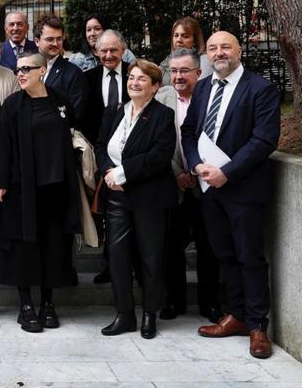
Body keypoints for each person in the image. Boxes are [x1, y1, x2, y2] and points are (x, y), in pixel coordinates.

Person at [181, 31, 281, 359]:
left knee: (249, 257)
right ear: (206, 55)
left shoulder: (261, 89)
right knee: (224, 255)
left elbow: (263, 140)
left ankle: (257, 326)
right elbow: (190, 131)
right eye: (212, 48)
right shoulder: (204, 87)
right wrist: (196, 165)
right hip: (210, 189)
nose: (219, 52)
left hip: (244, 189)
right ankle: (236, 316)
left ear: (239, 50)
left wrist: (228, 172)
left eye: (225, 46)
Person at [0, 53, 80, 333]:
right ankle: (26, 304)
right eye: (18, 69)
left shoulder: (59, 100)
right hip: (21, 190)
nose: (21, 73)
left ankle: (48, 303)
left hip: (55, 189)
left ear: (42, 70)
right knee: (23, 247)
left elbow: (71, 134)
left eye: (27, 69)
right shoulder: (12, 105)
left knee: (53, 245)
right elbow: (1, 145)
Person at [96, 59, 177, 339]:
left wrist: (123, 173)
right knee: (118, 257)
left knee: (151, 258)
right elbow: (99, 144)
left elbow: (159, 156)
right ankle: (124, 314)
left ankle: (149, 315)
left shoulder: (163, 116)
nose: (134, 82)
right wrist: (108, 170)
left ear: (155, 86)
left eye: (142, 79)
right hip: (117, 198)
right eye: (131, 77)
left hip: (150, 198)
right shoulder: (117, 110)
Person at [154, 48, 222, 323]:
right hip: (172, 184)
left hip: (207, 183)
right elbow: (155, 142)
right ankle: (174, 301)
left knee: (209, 246)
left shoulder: (212, 98)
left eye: (185, 71)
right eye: (174, 71)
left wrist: (200, 170)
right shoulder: (160, 99)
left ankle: (210, 303)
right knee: (171, 247)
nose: (178, 76)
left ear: (198, 72)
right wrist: (177, 173)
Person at [80, 30, 131, 286]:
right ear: (96, 52)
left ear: (123, 50)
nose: (109, 55)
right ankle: (110, 265)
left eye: (114, 50)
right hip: (100, 156)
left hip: (133, 158)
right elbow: (84, 118)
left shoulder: (135, 75)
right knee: (107, 216)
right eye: (104, 51)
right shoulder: (87, 79)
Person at [35, 15, 88, 122]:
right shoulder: (26, 69)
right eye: (50, 39)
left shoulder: (73, 73)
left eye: (59, 39)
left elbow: (76, 114)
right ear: (37, 41)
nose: (55, 43)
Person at [68, 13, 136, 72]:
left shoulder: (125, 54)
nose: (92, 34)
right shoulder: (75, 60)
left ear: (106, 30)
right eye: (88, 30)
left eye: (97, 29)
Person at [160, 17, 213, 84]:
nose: (179, 40)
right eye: (176, 35)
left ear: (194, 41)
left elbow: (199, 87)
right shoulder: (167, 61)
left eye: (185, 36)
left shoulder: (204, 60)